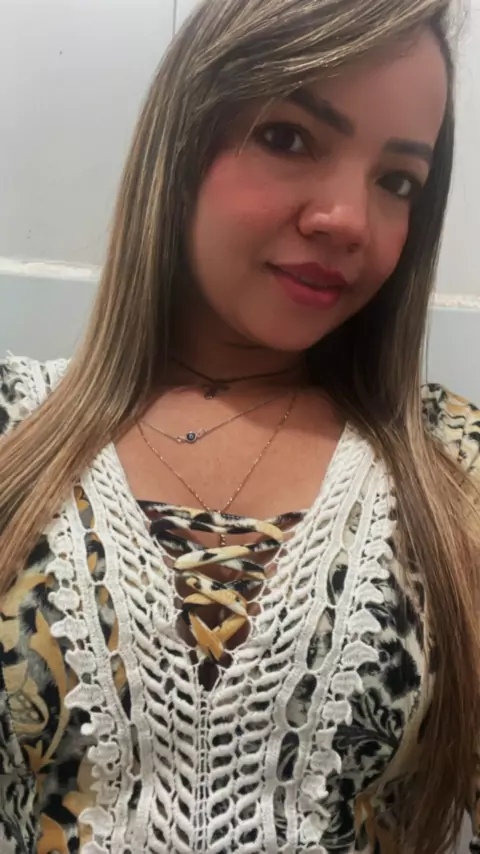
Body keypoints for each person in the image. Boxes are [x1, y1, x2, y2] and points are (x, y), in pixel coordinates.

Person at [0, 0, 479, 851]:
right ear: (182, 144)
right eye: (290, 137)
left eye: (397, 181)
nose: (349, 220)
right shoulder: (12, 432)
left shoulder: (456, 468)